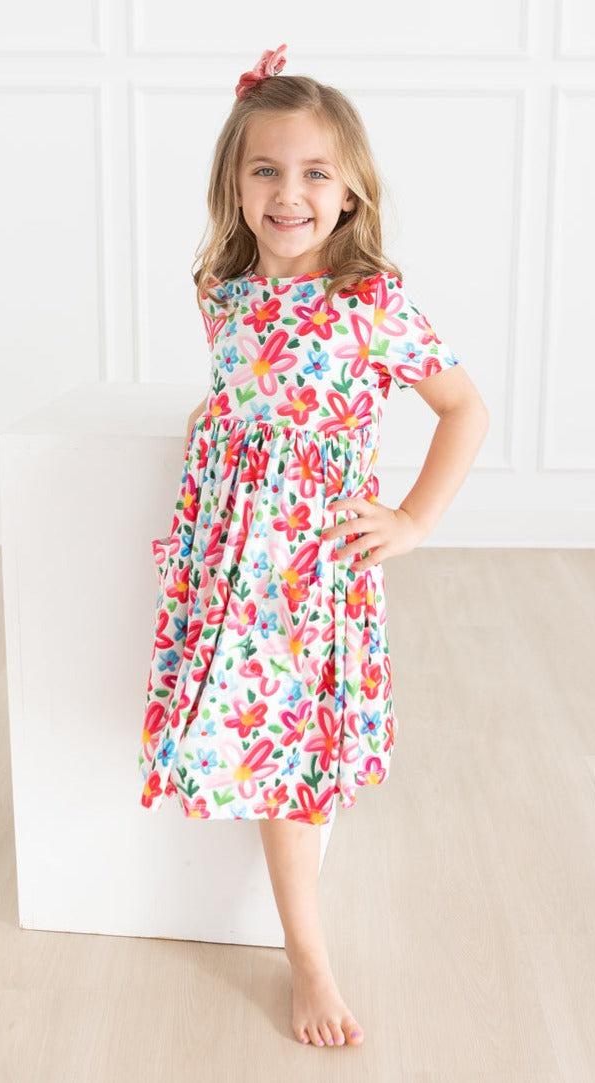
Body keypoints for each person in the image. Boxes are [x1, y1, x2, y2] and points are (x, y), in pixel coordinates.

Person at [137, 42, 489, 1049]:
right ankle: (275, 914)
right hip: (228, 559)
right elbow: (244, 395)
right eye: (266, 170)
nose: (288, 194)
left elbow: (464, 409)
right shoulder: (220, 289)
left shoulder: (371, 304)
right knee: (260, 744)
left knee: (293, 767)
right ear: (234, 184)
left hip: (308, 568)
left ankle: (309, 957)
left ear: (349, 192)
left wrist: (412, 519)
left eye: (314, 173)